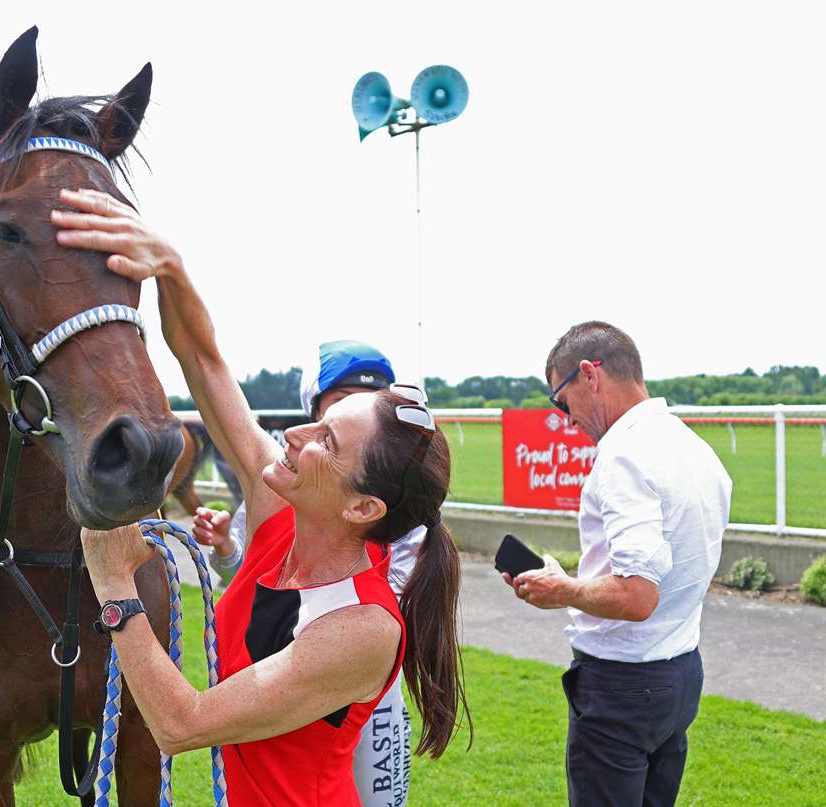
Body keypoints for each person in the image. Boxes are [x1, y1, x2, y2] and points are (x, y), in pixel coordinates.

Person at [55, 188, 469, 806]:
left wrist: (115, 588)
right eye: (316, 419)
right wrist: (171, 267)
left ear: (362, 509)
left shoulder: (362, 626)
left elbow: (181, 724)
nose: (293, 436)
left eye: (325, 441)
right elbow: (204, 359)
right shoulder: (281, 518)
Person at [503, 321, 731, 807]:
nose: (564, 418)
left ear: (589, 374)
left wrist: (562, 589)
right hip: (681, 670)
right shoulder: (695, 448)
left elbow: (636, 594)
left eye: (559, 401)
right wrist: (568, 580)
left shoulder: (624, 454)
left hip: (623, 682)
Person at [194, 340, 425, 806]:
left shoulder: (394, 496)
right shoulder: (285, 491)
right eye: (336, 407)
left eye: (367, 405)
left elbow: (377, 612)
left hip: (358, 679)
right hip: (305, 668)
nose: (307, 434)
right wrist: (225, 550)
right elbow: (254, 572)